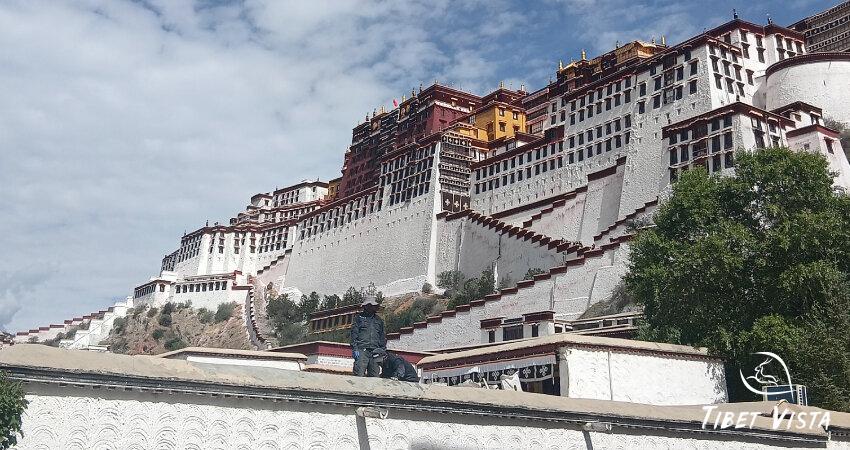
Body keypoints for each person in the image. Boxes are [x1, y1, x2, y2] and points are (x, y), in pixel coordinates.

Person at [350, 294, 386, 377]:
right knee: (359, 374)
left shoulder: (379, 320)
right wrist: (355, 348)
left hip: (375, 352)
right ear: (365, 306)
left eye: (372, 305)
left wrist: (382, 350)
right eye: (369, 305)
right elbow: (354, 334)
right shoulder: (358, 318)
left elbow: (382, 337)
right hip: (362, 350)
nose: (371, 307)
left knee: (374, 377)